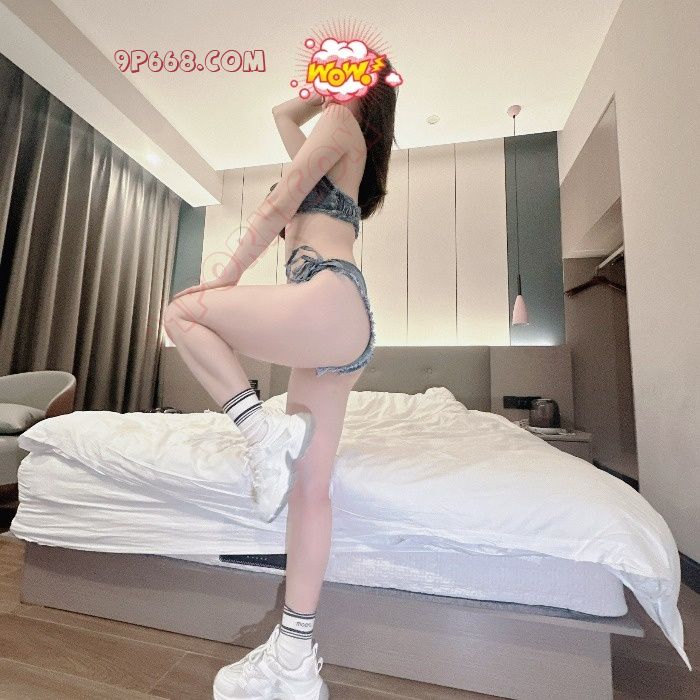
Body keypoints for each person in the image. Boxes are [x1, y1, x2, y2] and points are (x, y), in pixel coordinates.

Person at [165, 56, 399, 699]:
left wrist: (223, 279)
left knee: (183, 312)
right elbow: (280, 114)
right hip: (337, 322)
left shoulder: (344, 123)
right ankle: (295, 656)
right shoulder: (339, 142)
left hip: (327, 296)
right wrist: (314, 92)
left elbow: (276, 206)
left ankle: (259, 430)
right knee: (310, 489)